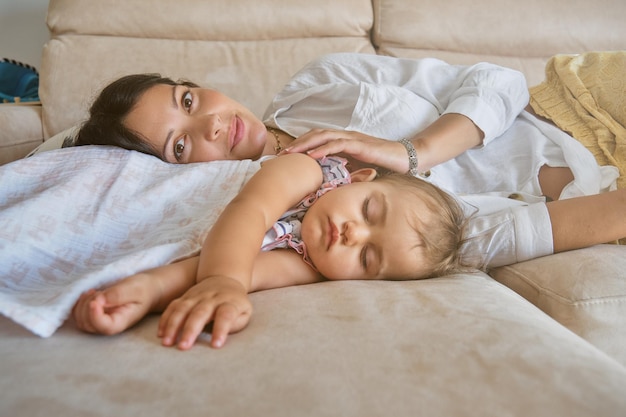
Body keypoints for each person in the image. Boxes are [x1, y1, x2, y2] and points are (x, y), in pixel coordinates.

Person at [72, 153, 626, 350]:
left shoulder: (312, 267)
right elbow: (249, 213)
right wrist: (225, 282)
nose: (352, 236)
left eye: (368, 260)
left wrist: (143, 293)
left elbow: (237, 272)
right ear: (357, 178)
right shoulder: (311, 171)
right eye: (369, 212)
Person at [71, 53, 617, 204]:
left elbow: (496, 79)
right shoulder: (288, 207)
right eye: (182, 144)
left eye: (188, 99)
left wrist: (412, 150)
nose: (213, 121)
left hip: (577, 102)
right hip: (597, 195)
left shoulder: (321, 81)